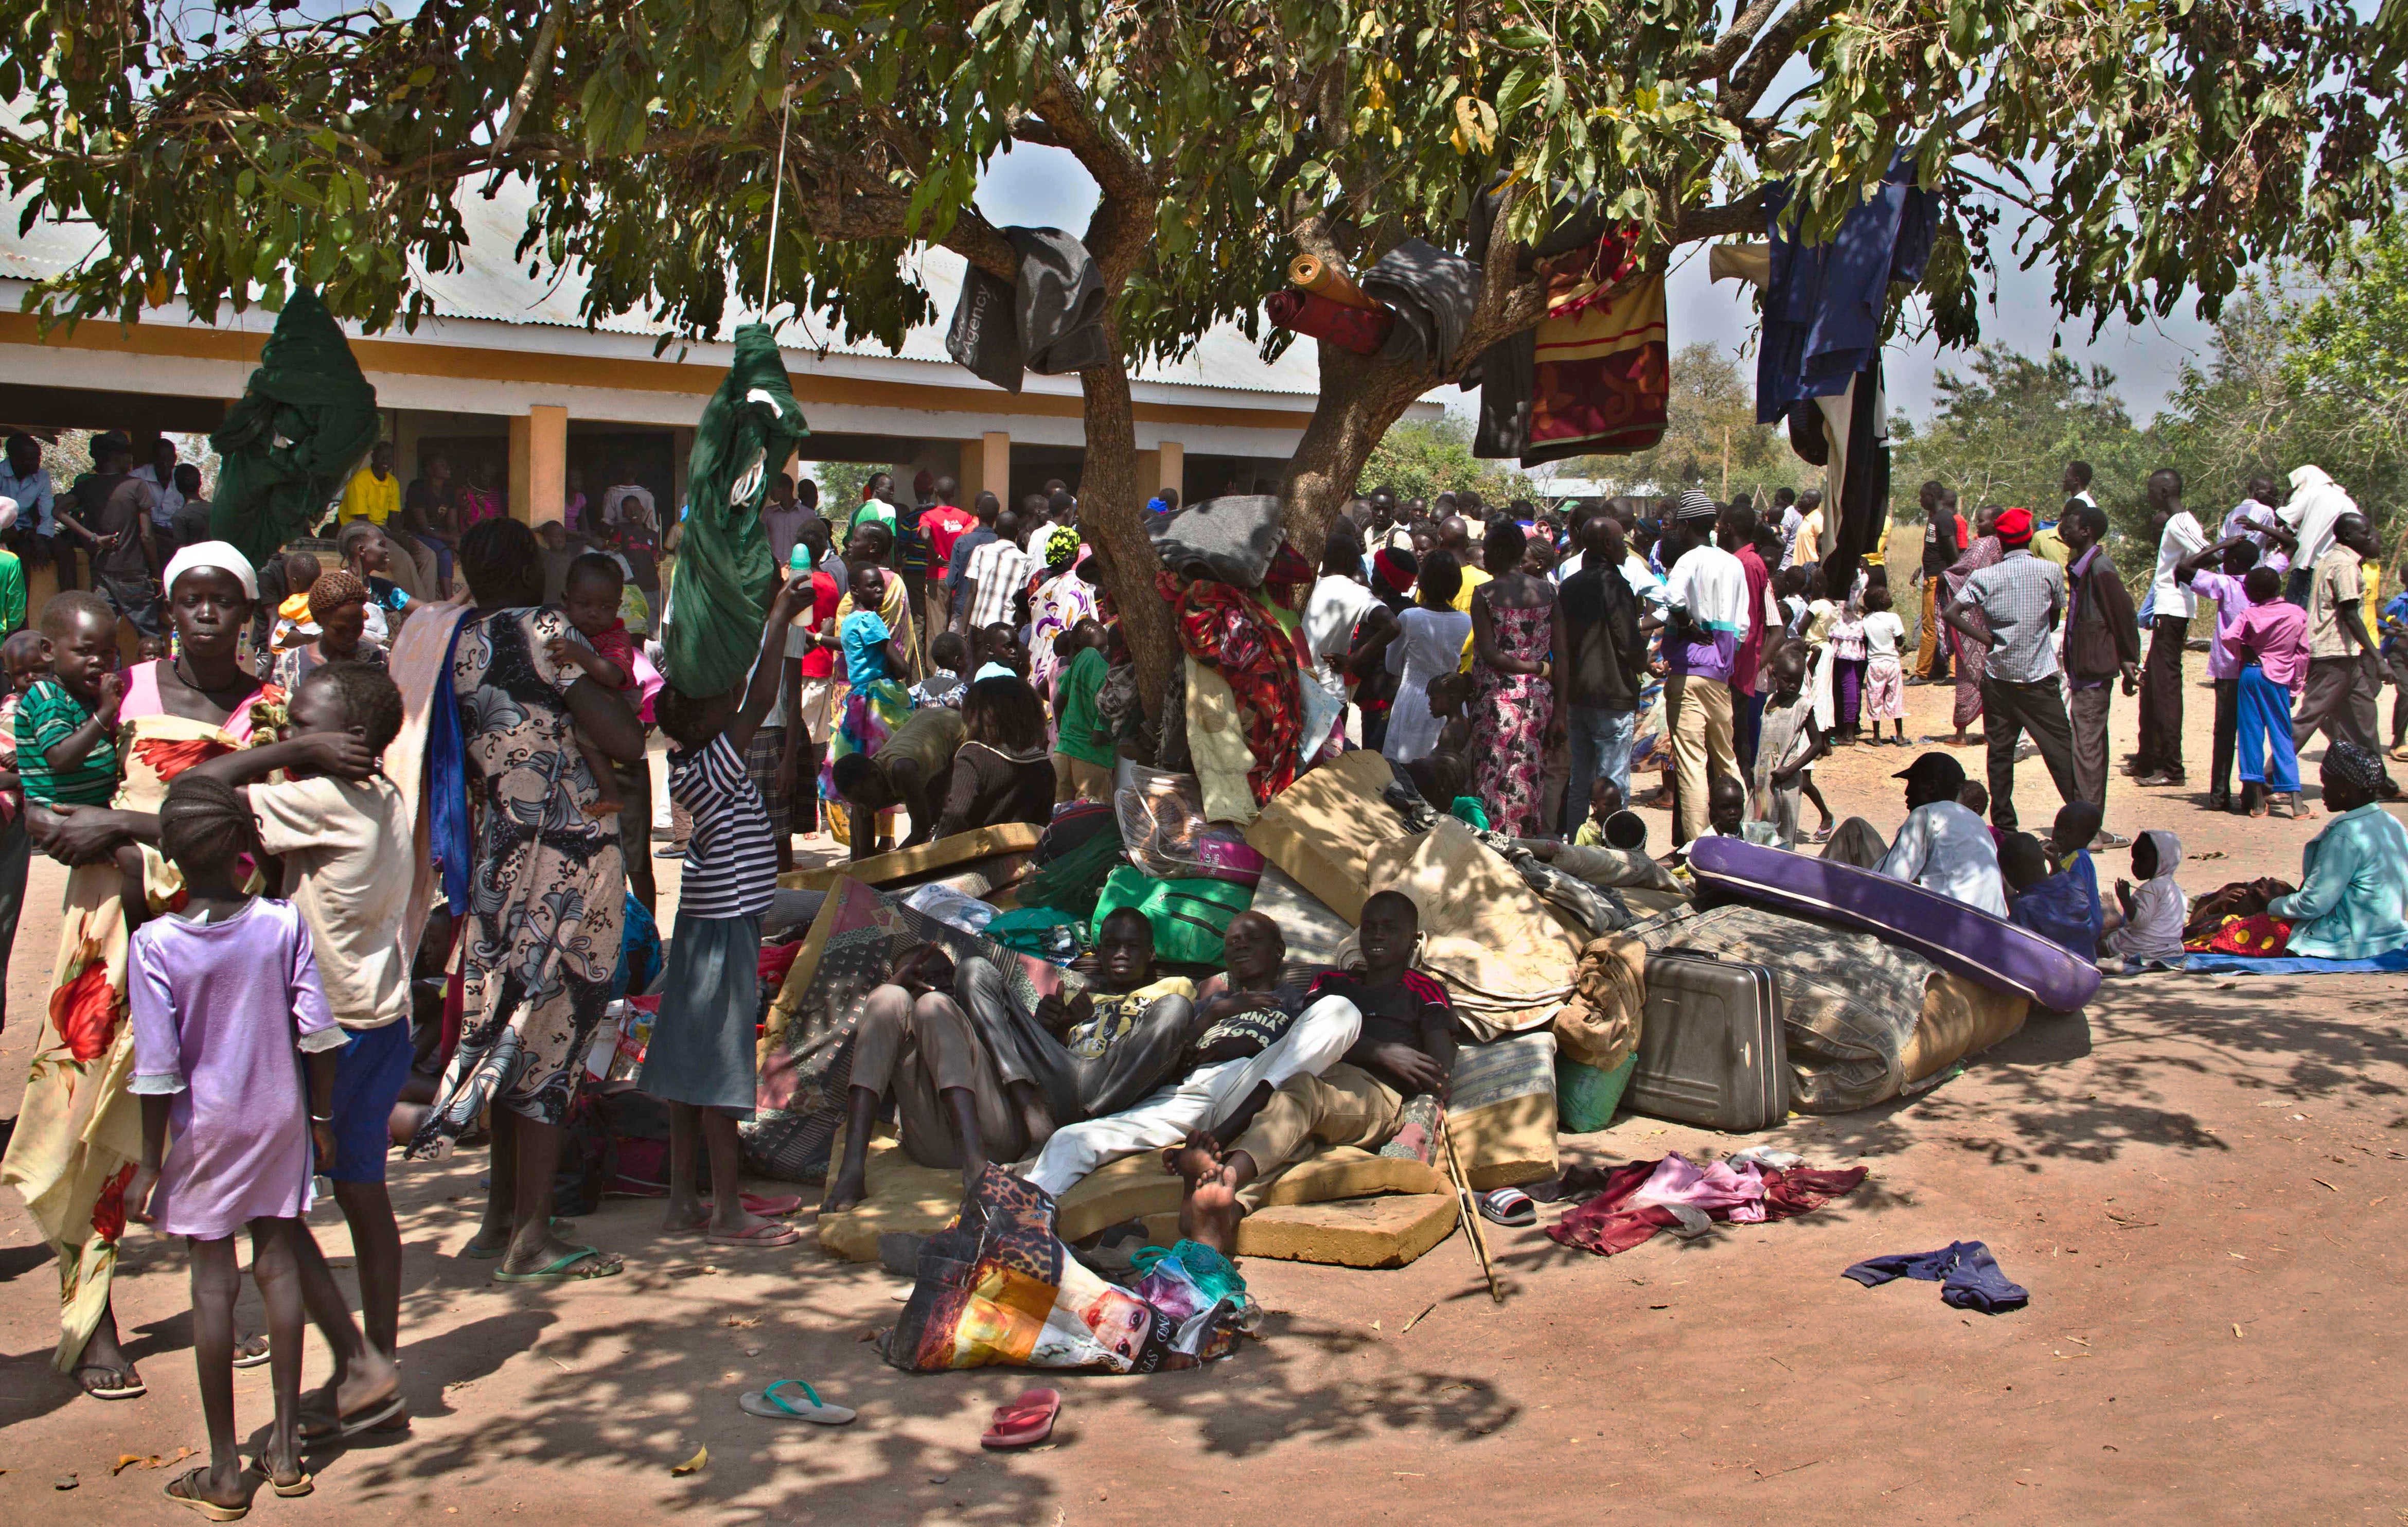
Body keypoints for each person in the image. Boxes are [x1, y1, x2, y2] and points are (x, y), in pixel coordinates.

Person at [6, 544, 278, 1400]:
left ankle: (219, 1297)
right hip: (109, 935)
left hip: (215, 942)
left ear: (247, 614)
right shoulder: (125, 692)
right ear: (168, 609)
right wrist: (67, 824)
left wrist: (117, 824)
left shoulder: (267, 709)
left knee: (216, 1118)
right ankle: (93, 1318)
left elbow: (254, 831)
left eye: (222, 600)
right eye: (189, 599)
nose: (204, 613)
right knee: (88, 1118)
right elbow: (54, 792)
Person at [408, 519, 642, 1284]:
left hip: (495, 858)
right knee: (553, 1034)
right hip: (566, 855)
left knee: (504, 1023)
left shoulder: (455, 642)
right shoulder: (547, 630)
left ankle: (498, 1216)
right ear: (531, 570)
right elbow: (625, 739)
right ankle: (535, 1234)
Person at [183, 664, 411, 1440]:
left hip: (329, 1038)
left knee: (269, 1209)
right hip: (382, 1018)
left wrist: (114, 826)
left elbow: (198, 798)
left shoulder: (319, 799)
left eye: (305, 726)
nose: (287, 734)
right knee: (362, 1193)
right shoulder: (382, 794)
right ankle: (375, 1369)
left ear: (346, 741)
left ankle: (361, 1366)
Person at [123, 774, 349, 1516]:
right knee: (279, 1266)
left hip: (204, 1131)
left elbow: (157, 1071)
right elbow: (317, 1034)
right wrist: (319, 1120)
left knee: (212, 1286)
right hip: (278, 1116)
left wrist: (151, 1165)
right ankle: (284, 1449)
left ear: (171, 858)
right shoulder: (281, 924)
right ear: (243, 850)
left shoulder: (155, 944)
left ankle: (225, 1470)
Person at [642, 574, 816, 1251]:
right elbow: (766, 695)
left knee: (690, 1066)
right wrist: (779, 617)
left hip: (700, 925)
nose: (733, 701)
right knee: (719, 1068)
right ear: (702, 719)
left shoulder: (691, 763)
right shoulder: (715, 760)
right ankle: (725, 1214)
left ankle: (686, 1200)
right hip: (724, 930)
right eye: (720, 698)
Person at [1167, 891, 1454, 1256]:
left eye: (1390, 928)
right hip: (1320, 1072)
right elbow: (1310, 1033)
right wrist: (1382, 1051)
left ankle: (1228, 1174)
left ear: (1413, 939)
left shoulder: (1424, 990)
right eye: (1370, 928)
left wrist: (1419, 1092)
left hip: (1374, 1093)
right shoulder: (1333, 982)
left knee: (1298, 1093)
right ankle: (1226, 1212)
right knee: (1288, 1125)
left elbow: (1440, 1069)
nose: (1378, 936)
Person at [1942, 506, 2080, 834]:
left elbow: (1951, 612)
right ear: (2030, 538)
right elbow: (2054, 618)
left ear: (1999, 542)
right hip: (2038, 677)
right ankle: (2080, 820)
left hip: (1998, 678)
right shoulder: (2048, 571)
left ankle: (2004, 825)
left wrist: (1987, 639)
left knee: (2000, 754)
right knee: (2060, 751)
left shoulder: (1985, 577)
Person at [1650, 493, 1747, 844]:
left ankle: (1696, 853)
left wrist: (1687, 625)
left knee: (1692, 768)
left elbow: (1672, 599)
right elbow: (1745, 627)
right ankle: (1741, 841)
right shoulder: (1734, 564)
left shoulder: (1689, 561)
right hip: (1720, 675)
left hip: (1688, 672)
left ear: (1686, 525)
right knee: (1727, 761)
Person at [2265, 743, 2408, 959]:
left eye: (2327, 784)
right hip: (2390, 933)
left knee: (2235, 928)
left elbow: (2313, 905)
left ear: (2346, 787)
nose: (2323, 791)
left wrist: (2272, 903)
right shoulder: (2391, 823)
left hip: (2348, 940)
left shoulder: (2344, 835)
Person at [1552, 514, 1647, 831]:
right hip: (1612, 697)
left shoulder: (1569, 586)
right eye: (1622, 543)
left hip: (1577, 697)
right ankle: (1615, 845)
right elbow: (1629, 641)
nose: (1626, 550)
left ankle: (1579, 844)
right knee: (1613, 780)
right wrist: (1643, 665)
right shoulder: (1615, 585)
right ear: (1608, 545)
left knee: (1581, 778)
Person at [1466, 521, 1556, 836]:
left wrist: (1533, 668)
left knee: (1492, 775)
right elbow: (1564, 655)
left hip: (1496, 702)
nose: (1483, 556)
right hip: (1537, 702)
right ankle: (1524, 845)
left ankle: (1492, 844)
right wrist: (1544, 674)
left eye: (1488, 550)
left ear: (1502, 552)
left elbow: (1491, 656)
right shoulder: (1548, 592)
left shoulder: (1485, 595)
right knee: (1526, 777)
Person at [2056, 502, 2140, 837]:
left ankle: (2088, 831)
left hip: (2093, 670)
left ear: (2087, 531)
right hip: (2084, 669)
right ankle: (2090, 823)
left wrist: (2129, 658)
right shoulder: (2081, 567)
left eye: (2070, 524)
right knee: (2089, 746)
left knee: (2087, 748)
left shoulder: (2101, 568)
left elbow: (2123, 615)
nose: (2064, 528)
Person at [1840, 751, 2008, 916]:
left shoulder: (1926, 814)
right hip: (1987, 928)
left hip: (1943, 926)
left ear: (1932, 787)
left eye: (1912, 784)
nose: (1906, 793)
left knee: (1854, 829)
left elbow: (1886, 883)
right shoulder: (1977, 823)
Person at [542, 553, 643, 822]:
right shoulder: (557, 622)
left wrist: (580, 654)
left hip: (619, 699)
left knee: (586, 732)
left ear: (618, 607)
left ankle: (611, 792)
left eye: (605, 607)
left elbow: (612, 675)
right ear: (566, 600)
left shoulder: (616, 637)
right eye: (584, 604)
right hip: (598, 695)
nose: (594, 614)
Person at [2126, 469, 2205, 787]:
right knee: (2156, 688)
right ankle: (2153, 759)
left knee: (2167, 691)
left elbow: (2206, 551)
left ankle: (2172, 769)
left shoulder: (2180, 522)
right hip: (2168, 609)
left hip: (2172, 610)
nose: (2147, 496)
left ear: (2163, 490)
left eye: (2149, 490)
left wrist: (2187, 570)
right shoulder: (2179, 522)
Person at [14, 591, 125, 821]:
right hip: (61, 816)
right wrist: (105, 713)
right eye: (83, 651)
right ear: (48, 650)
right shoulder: (48, 697)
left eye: (107, 652)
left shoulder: (87, 695)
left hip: (93, 809)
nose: (98, 661)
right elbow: (62, 759)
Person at [2177, 534, 2265, 813]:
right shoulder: (2263, 583)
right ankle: (2251, 795)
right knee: (2252, 732)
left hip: (2229, 669)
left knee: (2224, 733)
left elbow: (2183, 567)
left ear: (2233, 562)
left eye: (2226, 559)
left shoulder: (2225, 584)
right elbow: (2291, 547)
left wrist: (2218, 547)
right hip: (2259, 669)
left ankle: (2219, 795)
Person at [2293, 512, 2389, 766]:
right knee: (2309, 719)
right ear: (2348, 536)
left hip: (2347, 655)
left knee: (2364, 717)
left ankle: (2377, 779)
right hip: (2333, 655)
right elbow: (2350, 614)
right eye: (2365, 533)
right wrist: (2378, 658)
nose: (2370, 538)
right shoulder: (2344, 565)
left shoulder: (2333, 559)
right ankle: (2265, 780)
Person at [828, 703, 967, 860]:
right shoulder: (864, 789)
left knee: (941, 815)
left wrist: (887, 866)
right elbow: (861, 858)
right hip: (929, 723)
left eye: (866, 800)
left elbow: (921, 829)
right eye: (859, 802)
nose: (867, 807)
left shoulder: (903, 771)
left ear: (877, 776)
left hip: (954, 728)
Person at [2228, 563, 2312, 819]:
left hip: (2252, 674)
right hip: (2279, 678)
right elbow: (2302, 654)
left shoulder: (2249, 614)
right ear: (2278, 588)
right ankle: (2297, 804)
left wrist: (2248, 653)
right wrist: (2296, 687)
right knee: (2282, 735)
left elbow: (2229, 638)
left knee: (2250, 734)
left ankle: (2257, 803)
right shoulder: (2297, 613)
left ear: (2253, 593)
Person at [934, 674, 1058, 838]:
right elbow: (1042, 820)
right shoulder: (1043, 764)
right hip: (1022, 856)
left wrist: (937, 850)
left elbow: (956, 814)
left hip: (975, 856)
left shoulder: (974, 755)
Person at [782, 514, 843, 843]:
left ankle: (802, 813)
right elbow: (829, 625)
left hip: (801, 669)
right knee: (818, 744)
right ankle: (818, 812)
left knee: (797, 743)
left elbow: (794, 627)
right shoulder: (830, 583)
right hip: (823, 669)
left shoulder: (797, 583)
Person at [1382, 551, 1473, 764]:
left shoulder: (1410, 617)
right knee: (1441, 767)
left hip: (1414, 698)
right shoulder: (1465, 621)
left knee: (1404, 767)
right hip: (1450, 702)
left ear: (1422, 582)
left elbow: (1392, 664)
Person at [82, 433, 164, 638]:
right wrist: (156, 576)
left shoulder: (87, 485)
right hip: (134, 572)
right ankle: (152, 671)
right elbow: (146, 536)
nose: (131, 461)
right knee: (150, 636)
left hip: (102, 572)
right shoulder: (137, 486)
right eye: (128, 456)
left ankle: (108, 672)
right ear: (117, 457)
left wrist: (93, 538)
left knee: (103, 635)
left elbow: (59, 511)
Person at [1754, 643, 1831, 848]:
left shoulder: (1803, 706)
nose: (1792, 686)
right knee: (1760, 824)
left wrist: (1790, 769)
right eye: (1787, 680)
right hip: (1764, 774)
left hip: (1787, 776)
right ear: (1774, 676)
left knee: (1784, 830)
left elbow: (1817, 745)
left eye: (1797, 682)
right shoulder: (1769, 701)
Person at [2005, 804, 2105, 958]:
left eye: (2068, 830)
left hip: (2086, 929)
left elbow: (2072, 896)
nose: (2059, 834)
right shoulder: (2065, 859)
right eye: (2057, 828)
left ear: (2089, 837)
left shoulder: (2080, 858)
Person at [271, 567, 385, 697]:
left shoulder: (376, 659)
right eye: (340, 629)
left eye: (357, 626)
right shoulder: (291, 664)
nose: (351, 635)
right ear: (320, 621)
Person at [1723, 503, 1774, 770]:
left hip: (1739, 667)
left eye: (1720, 526)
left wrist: (1745, 663)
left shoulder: (1746, 564)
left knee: (1738, 738)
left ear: (1729, 528)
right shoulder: (1741, 561)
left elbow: (1750, 623)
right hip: (1736, 666)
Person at [2098, 830, 2187, 969]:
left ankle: (2112, 960)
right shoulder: (2177, 890)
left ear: (2162, 861)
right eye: (2134, 859)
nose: (2135, 865)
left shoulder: (2152, 889)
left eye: (2142, 859)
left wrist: (2125, 900)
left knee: (2100, 944)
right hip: (2170, 950)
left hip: (2142, 948)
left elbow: (2140, 922)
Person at [1051, 618, 1116, 801]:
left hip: (1063, 753)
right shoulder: (1112, 679)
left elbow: (1057, 703)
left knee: (1058, 814)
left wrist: (1066, 734)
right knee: (1090, 819)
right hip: (1092, 762)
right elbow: (1098, 736)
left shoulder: (1084, 657)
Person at [2278, 464, 2357, 605]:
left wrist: (2284, 500)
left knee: (2295, 612)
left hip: (2305, 565)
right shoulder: (2345, 501)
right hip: (2329, 568)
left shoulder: (2314, 493)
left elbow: (2281, 519)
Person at [954, 508, 1036, 641]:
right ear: (1017, 532)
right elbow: (1021, 601)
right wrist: (1018, 633)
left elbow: (972, 592)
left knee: (977, 661)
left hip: (978, 627)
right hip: (1005, 630)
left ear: (996, 531)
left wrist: (963, 631)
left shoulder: (980, 551)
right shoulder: (1026, 561)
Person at [1911, 482, 1961, 684]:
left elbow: (1953, 552)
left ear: (1932, 496)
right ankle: (1935, 669)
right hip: (1930, 575)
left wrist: (1948, 575)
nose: (1921, 500)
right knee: (1931, 625)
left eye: (1923, 496)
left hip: (1937, 579)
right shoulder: (1935, 518)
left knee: (1931, 626)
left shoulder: (1945, 519)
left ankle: (1923, 673)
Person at [3, 434, 66, 591]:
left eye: (38, 457)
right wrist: (28, 536)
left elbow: (47, 511)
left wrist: (42, 538)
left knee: (64, 550)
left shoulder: (42, 476)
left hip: (30, 529)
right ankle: (21, 610)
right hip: (5, 529)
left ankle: (71, 600)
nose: (36, 463)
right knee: (23, 551)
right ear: (14, 459)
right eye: (29, 459)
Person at [400, 450, 457, 598]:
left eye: (447, 464)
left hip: (439, 535)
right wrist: (450, 540)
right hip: (418, 533)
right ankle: (450, 600)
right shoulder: (418, 488)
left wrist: (456, 540)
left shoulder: (449, 491)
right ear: (429, 470)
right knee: (443, 553)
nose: (447, 468)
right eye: (441, 465)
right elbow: (423, 528)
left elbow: (452, 525)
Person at [1859, 583, 1909, 745]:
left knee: (1874, 697)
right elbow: (1900, 640)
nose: (1890, 597)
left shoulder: (1866, 620)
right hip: (1893, 663)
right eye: (1887, 595)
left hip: (1875, 664)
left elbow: (1865, 640)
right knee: (1895, 697)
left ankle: (1876, 736)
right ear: (1881, 601)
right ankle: (1900, 736)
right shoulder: (1894, 618)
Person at [132, 437, 185, 561]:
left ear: (175, 459)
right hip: (151, 536)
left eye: (170, 460)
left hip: (178, 537)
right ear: (153, 460)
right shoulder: (137, 478)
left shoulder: (182, 476)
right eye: (161, 460)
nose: (166, 464)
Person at [338, 440, 402, 538]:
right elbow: (363, 522)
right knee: (399, 553)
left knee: (422, 551)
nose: (385, 460)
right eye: (382, 456)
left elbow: (393, 518)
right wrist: (393, 536)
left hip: (380, 529)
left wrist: (400, 536)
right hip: (356, 530)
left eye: (389, 457)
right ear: (373, 457)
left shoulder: (393, 482)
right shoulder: (360, 480)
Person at [760, 473, 811, 578]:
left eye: (773, 489)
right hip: (772, 573)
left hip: (798, 572)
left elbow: (811, 545)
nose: (770, 494)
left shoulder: (808, 515)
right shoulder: (768, 514)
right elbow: (762, 543)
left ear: (785, 489)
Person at [912, 629, 970, 711]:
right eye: (967, 657)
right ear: (958, 661)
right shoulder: (961, 687)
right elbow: (952, 703)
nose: (969, 662)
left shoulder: (922, 685)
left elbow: (907, 696)